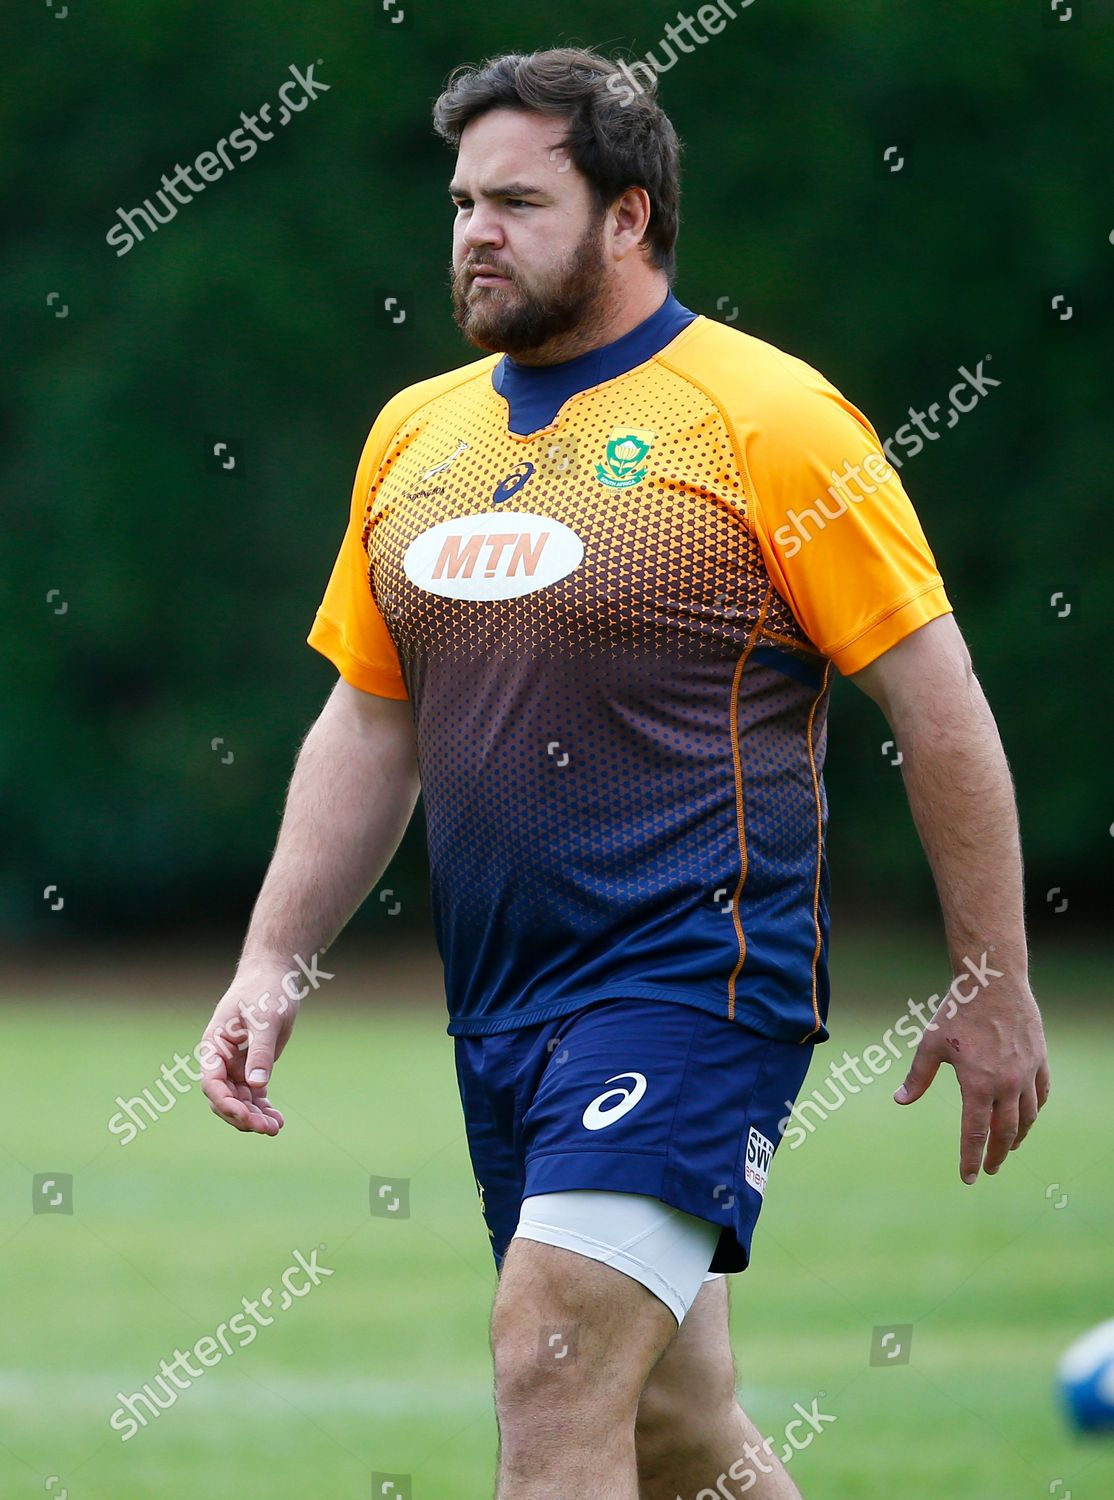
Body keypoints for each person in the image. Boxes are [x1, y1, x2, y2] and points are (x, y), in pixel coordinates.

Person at [199, 46, 1050, 1500]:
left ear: (629, 217)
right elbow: (369, 720)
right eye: (463, 201)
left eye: (518, 201)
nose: (474, 232)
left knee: (549, 1358)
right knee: (675, 1434)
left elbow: (941, 704)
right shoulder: (417, 432)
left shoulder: (769, 420)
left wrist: (991, 974)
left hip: (693, 978)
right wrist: (272, 961)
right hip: (506, 1006)